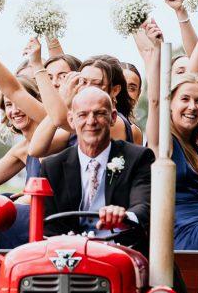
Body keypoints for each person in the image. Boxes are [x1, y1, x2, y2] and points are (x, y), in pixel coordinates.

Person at [39, 86, 154, 246]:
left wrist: (124, 217)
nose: (91, 121)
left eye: (99, 113)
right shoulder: (52, 167)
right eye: (83, 115)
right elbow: (48, 227)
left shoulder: (138, 158)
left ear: (113, 117)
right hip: (71, 256)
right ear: (71, 120)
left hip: (123, 251)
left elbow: (143, 206)